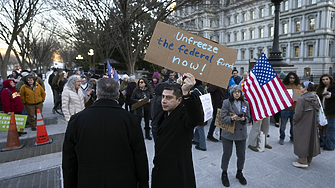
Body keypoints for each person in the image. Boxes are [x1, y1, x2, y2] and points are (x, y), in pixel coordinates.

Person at [62, 78, 149, 188]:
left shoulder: (77, 120)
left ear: (97, 93)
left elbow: (69, 160)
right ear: (117, 95)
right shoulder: (130, 120)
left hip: (88, 180)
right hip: (123, 180)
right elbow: (140, 156)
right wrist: (143, 183)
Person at [151, 73, 204, 188]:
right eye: (163, 96)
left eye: (169, 98)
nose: (164, 101)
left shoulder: (183, 116)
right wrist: (177, 84)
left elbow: (196, 119)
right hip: (161, 168)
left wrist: (186, 93)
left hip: (176, 174)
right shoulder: (165, 112)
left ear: (179, 100)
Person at [220, 85, 250, 187]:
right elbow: (222, 117)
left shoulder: (245, 103)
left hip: (241, 133)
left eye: (239, 92)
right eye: (235, 92)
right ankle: (224, 172)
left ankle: (239, 172)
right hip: (228, 133)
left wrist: (244, 119)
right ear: (232, 93)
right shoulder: (226, 103)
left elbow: (249, 118)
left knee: (241, 154)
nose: (237, 93)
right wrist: (232, 118)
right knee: (227, 154)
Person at [292, 81, 321, 168]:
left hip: (302, 123)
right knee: (311, 139)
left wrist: (294, 121)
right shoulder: (316, 97)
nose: (300, 88)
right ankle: (309, 160)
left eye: (301, 86)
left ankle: (302, 161)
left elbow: (297, 113)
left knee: (301, 141)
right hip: (312, 122)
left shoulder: (302, 99)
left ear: (305, 88)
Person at [279, 72, 301, 145]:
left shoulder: (298, 86)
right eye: (290, 78)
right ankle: (282, 137)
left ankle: (293, 138)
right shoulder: (284, 86)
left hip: (294, 108)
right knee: (283, 125)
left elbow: (300, 96)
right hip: (285, 108)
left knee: (293, 125)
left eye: (293, 78)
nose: (292, 79)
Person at [316, 74, 335, 150]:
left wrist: (331, 95)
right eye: (323, 80)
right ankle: (323, 142)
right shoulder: (321, 88)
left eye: (326, 79)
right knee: (321, 127)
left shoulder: (333, 87)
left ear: (330, 79)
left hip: (331, 111)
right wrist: (322, 94)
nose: (325, 81)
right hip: (322, 110)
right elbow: (317, 95)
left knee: (330, 129)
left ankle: (330, 145)